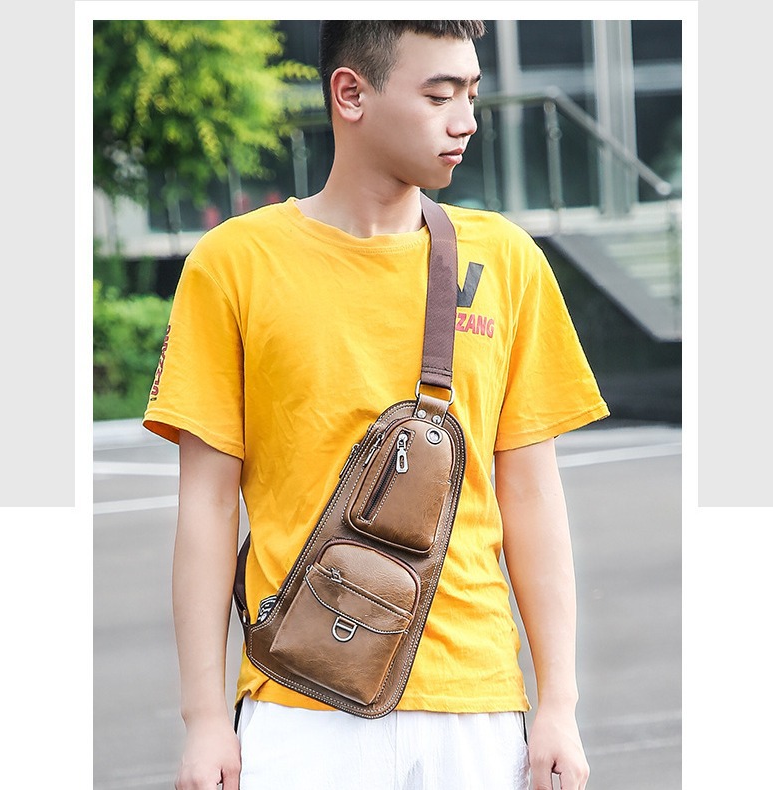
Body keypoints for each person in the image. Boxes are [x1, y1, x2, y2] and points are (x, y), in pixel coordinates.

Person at [143, 20, 609, 790]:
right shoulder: (235, 264)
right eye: (439, 95)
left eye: (472, 93)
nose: (466, 121)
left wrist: (559, 701)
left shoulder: (508, 260)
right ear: (350, 94)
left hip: (474, 705)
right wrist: (203, 719)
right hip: (301, 702)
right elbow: (207, 503)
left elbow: (531, 492)